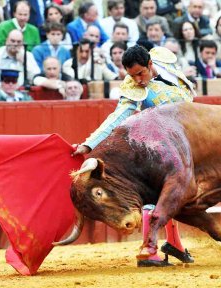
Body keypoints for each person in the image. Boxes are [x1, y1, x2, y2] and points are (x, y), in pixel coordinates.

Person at [73, 45, 196, 267]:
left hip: (187, 138)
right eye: (132, 75)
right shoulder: (133, 88)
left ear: (150, 64)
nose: (138, 80)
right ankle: (149, 250)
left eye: (141, 73)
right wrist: (89, 144)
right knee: (159, 193)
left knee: (173, 194)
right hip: (161, 148)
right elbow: (117, 117)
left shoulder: (164, 60)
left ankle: (174, 245)